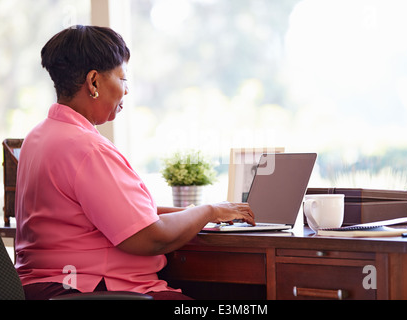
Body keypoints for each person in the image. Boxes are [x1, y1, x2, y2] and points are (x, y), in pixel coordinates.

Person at [14, 25, 255, 300]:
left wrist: (200, 213)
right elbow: (151, 237)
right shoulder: (86, 148)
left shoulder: (38, 137)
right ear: (93, 82)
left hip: (48, 288)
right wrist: (209, 211)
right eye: (122, 78)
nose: (126, 91)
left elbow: (129, 216)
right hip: (95, 289)